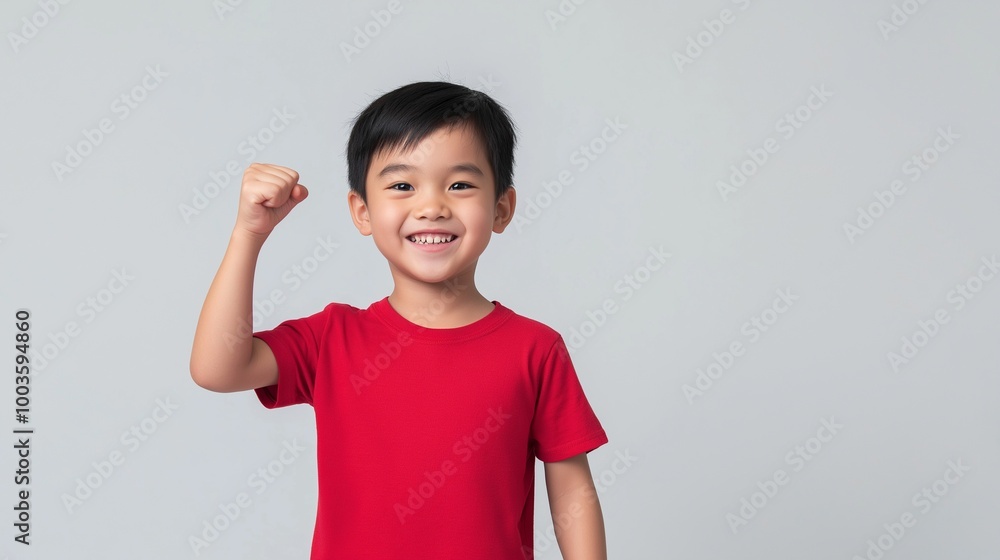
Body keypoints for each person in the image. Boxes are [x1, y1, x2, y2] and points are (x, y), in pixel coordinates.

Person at [189, 81, 609, 559]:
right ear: (362, 211)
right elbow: (216, 369)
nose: (431, 207)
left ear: (501, 208)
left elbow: (571, 490)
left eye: (460, 184)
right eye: (402, 186)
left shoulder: (535, 349)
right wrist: (248, 234)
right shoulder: (332, 340)